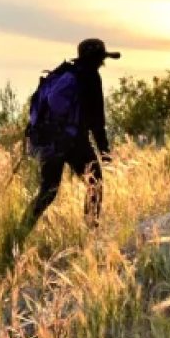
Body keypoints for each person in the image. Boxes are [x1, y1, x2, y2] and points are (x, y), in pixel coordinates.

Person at [22, 38, 118, 232]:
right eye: (101, 58)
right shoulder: (90, 76)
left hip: (49, 140)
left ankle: (22, 229)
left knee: (48, 190)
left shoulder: (63, 73)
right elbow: (96, 119)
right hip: (74, 140)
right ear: (96, 58)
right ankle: (91, 230)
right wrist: (104, 151)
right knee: (95, 182)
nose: (102, 63)